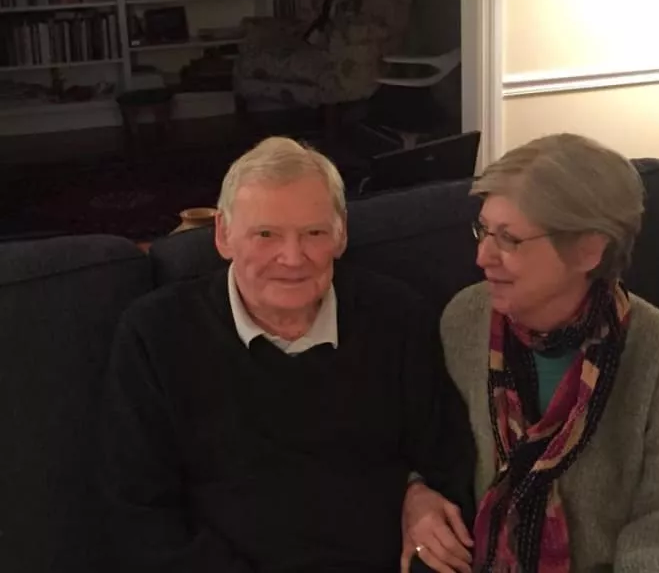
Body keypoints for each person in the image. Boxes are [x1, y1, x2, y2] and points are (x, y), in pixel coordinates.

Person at [101, 137, 475, 573]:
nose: (293, 258)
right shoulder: (156, 334)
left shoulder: (398, 316)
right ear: (223, 234)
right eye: (266, 234)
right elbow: (139, 514)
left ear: (341, 234)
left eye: (314, 233)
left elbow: (448, 461)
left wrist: (420, 491)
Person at [425, 134, 659, 571]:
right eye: (483, 230)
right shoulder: (464, 321)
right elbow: (425, 444)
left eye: (509, 239)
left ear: (589, 249)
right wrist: (416, 494)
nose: (482, 256)